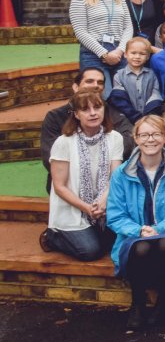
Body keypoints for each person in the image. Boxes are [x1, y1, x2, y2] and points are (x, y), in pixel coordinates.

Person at [106, 115, 165, 331]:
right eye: (144, 134)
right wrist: (138, 230)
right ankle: (138, 304)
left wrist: (158, 229)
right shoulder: (121, 174)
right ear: (135, 138)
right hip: (133, 235)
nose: (150, 140)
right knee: (142, 247)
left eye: (155, 134)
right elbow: (115, 215)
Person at [45, 91, 125, 261]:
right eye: (85, 109)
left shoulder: (115, 138)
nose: (93, 113)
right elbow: (59, 186)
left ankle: (94, 232)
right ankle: (52, 236)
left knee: (115, 244)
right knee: (90, 251)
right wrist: (86, 208)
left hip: (104, 207)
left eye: (97, 107)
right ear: (76, 114)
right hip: (73, 209)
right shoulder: (64, 142)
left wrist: (103, 201)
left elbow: (115, 177)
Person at [71, 0, 133, 87]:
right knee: (100, 95)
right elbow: (80, 32)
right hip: (93, 53)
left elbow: (128, 27)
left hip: (118, 52)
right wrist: (104, 54)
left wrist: (120, 50)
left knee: (123, 94)